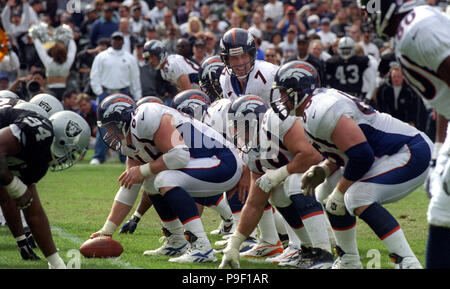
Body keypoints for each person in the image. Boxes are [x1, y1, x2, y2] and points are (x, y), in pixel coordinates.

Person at [270, 60, 432, 269]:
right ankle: (348, 260)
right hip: (382, 154)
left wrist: (341, 192)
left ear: (299, 90)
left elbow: (361, 155)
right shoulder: (312, 110)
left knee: (355, 196)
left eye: (284, 92)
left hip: (409, 151)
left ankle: (408, 262)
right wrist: (325, 168)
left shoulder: (321, 110)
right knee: (324, 191)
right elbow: (344, 151)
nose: (281, 99)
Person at [90, 93, 242, 263]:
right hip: (205, 165)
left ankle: (202, 248)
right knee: (150, 181)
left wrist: (145, 169)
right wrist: (106, 231)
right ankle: (176, 241)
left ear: (123, 120)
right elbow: (129, 185)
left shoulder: (146, 118)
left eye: (111, 127)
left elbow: (180, 156)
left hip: (224, 161)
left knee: (163, 178)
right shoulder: (129, 142)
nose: (109, 132)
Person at [358, 0, 450, 269]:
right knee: (441, 212)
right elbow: (444, 95)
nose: (366, 14)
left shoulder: (417, 28)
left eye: (368, 6)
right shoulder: (407, 32)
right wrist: (438, 148)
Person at [220, 94, 334, 269]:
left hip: (335, 168)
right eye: (235, 126)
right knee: (277, 192)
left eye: (241, 125)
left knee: (293, 182)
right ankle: (308, 248)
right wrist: (234, 243)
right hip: (313, 185)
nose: (237, 132)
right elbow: (254, 204)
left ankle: (323, 253)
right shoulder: (252, 153)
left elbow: (313, 155)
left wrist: (281, 173)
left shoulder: (278, 121)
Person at [0, 107, 90, 268]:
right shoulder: (40, 132)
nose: (68, 159)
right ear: (62, 141)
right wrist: (14, 184)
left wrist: (56, 262)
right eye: (71, 152)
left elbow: (33, 212)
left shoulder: (40, 164)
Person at [89, 31, 141, 165]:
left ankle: (125, 157)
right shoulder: (102, 56)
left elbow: (135, 79)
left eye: (119, 39)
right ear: (111, 41)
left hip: (124, 93)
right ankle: (99, 156)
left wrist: (137, 97)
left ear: (123, 41)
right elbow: (94, 75)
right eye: (115, 39)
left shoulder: (129, 58)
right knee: (103, 125)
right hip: (106, 93)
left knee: (125, 126)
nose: (117, 41)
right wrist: (100, 92)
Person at [218, 28, 278, 103]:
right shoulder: (225, 78)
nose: (240, 63)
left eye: (244, 56)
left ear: (251, 55)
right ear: (227, 60)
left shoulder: (268, 74)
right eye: (234, 58)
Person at [30, 32, 77, 101]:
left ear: (53, 53)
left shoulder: (49, 62)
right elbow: (73, 50)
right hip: (64, 90)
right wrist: (70, 38)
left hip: (50, 90)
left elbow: (40, 50)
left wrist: (35, 38)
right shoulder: (67, 63)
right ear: (65, 53)